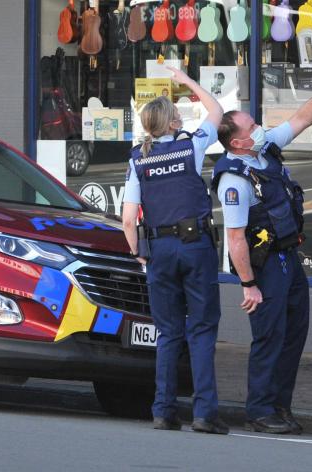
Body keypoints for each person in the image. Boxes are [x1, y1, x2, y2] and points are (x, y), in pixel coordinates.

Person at [212, 65, 312, 434]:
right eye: (251, 127)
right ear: (238, 142)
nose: (259, 128)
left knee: (294, 334)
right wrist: (248, 284)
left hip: (289, 257)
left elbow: (301, 119)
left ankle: (280, 405)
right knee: (269, 336)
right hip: (264, 266)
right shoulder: (234, 180)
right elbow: (235, 237)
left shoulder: (266, 150)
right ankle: (259, 409)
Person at [121, 66, 227, 435]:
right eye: (177, 115)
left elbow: (129, 220)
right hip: (194, 246)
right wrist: (190, 83)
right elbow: (216, 111)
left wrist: (140, 254)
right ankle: (204, 414)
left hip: (159, 251)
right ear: (169, 124)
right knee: (201, 330)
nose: (182, 118)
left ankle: (164, 411)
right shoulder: (191, 146)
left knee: (168, 333)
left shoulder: (138, 160)